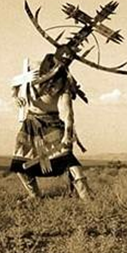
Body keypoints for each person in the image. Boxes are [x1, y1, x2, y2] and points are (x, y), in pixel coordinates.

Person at [10, 53, 91, 199]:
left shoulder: (64, 84)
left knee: (66, 158)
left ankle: (87, 197)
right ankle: (34, 196)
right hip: (30, 123)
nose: (53, 88)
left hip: (52, 124)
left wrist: (67, 134)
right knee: (20, 162)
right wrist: (16, 97)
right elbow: (14, 83)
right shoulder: (33, 70)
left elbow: (67, 114)